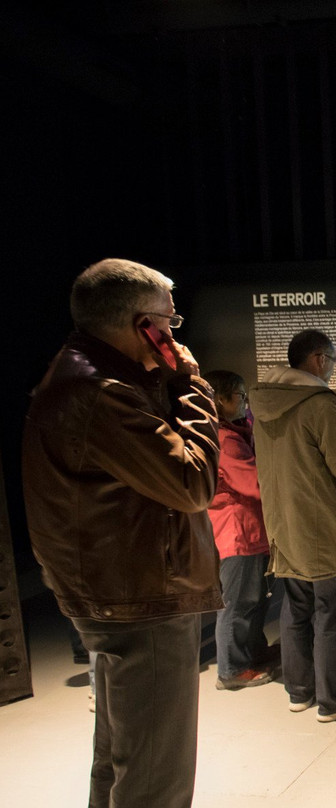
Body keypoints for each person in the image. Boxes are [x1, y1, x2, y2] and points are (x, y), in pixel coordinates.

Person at [22, 258, 221, 808]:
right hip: (143, 596)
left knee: (121, 759)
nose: (174, 335)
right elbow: (192, 483)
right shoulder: (100, 390)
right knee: (156, 776)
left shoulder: (82, 374)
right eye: (169, 323)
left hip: (122, 591)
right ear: (144, 326)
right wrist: (193, 386)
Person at [248, 329, 336, 722]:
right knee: (332, 616)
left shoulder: (262, 401)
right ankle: (335, 700)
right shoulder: (321, 404)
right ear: (320, 359)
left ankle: (300, 691)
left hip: (284, 526)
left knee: (295, 609)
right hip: (326, 528)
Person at [204, 369, 274, 691]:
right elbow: (253, 483)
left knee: (254, 599)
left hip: (249, 533)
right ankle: (231, 669)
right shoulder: (225, 441)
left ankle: (250, 656)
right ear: (220, 399)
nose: (246, 403)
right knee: (238, 603)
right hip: (238, 534)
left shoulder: (236, 433)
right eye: (240, 396)